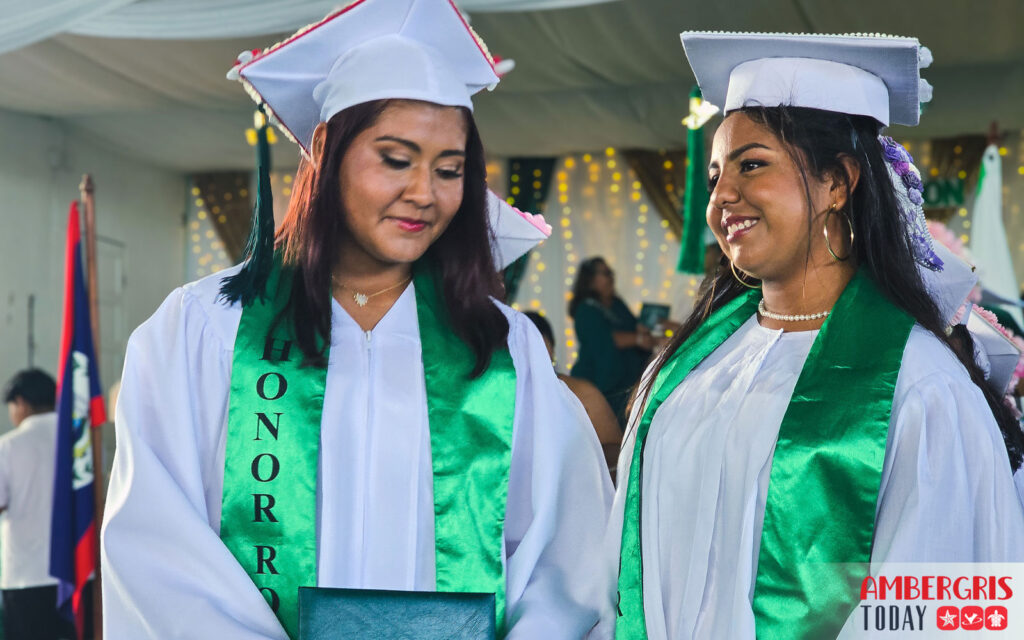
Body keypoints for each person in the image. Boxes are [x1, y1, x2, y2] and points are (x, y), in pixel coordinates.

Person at [100, 2, 611, 639]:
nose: (424, 192)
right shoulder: (204, 330)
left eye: (449, 170)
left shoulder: (504, 349)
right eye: (395, 159)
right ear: (325, 150)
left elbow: (568, 558)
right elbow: (158, 542)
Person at [603, 32, 1024, 640]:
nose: (721, 197)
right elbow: (622, 570)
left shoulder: (920, 384)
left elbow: (941, 609)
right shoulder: (687, 370)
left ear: (837, 183)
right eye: (717, 173)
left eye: (752, 165)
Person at [0, 369, 77, 640]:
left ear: (20, 403)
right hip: (75, 573)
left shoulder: (9, 446)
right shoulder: (79, 440)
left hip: (25, 577)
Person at [524, 311, 622, 476]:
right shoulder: (501, 398)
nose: (533, 354)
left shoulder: (582, 393)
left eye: (540, 344)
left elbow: (616, 450)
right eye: (524, 347)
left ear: (552, 350)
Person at [569, 257, 653, 425]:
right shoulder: (585, 309)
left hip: (625, 386)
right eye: (606, 273)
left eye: (611, 273)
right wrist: (637, 339)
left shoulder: (616, 303)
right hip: (601, 387)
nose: (611, 277)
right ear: (590, 279)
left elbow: (633, 326)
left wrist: (646, 331)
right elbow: (603, 339)